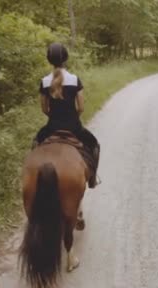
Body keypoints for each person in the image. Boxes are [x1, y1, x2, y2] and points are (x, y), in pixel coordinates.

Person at [32, 42, 100, 188]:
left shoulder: (44, 82)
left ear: (49, 60)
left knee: (35, 144)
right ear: (65, 59)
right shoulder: (75, 80)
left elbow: (44, 109)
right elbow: (81, 107)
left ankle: (33, 180)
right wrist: (71, 116)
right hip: (74, 127)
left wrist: (55, 116)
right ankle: (92, 179)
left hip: (51, 128)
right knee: (94, 145)